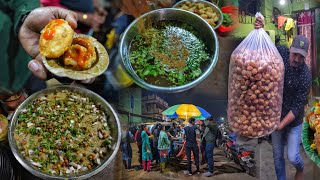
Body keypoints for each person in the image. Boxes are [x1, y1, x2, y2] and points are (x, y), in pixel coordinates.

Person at [255, 17, 312, 180]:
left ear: (305, 57)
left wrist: (281, 125)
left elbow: (297, 107)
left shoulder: (305, 76)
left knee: (293, 156)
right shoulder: (281, 52)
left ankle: (300, 169)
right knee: (277, 156)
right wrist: (260, 28)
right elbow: (265, 46)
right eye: (295, 54)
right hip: (275, 116)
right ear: (290, 49)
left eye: (301, 57)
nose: (296, 59)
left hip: (293, 121)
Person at [40, 0, 107, 35]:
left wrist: (98, 6)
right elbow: (50, 7)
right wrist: (84, 18)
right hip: (70, 32)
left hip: (87, 29)